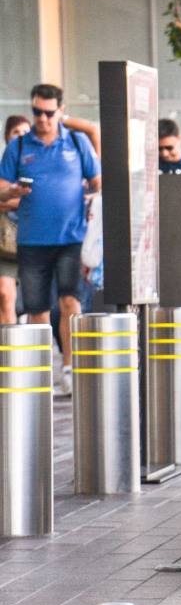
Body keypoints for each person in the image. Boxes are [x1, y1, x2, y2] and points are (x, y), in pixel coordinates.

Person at [0, 84, 102, 396]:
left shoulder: (76, 141)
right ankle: (41, 372)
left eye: (48, 112)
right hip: (31, 240)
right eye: (36, 112)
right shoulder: (18, 147)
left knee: (70, 301)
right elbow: (1, 192)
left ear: (60, 111)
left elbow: (97, 182)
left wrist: (93, 204)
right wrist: (13, 192)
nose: (41, 118)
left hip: (71, 238)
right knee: (36, 307)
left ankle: (71, 369)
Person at [0, 116, 29, 324]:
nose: (20, 137)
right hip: (6, 242)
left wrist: (10, 199)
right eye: (15, 133)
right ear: (7, 138)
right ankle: (8, 354)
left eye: (25, 133)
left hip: (35, 240)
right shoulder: (4, 167)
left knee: (39, 303)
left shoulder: (38, 163)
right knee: (5, 295)